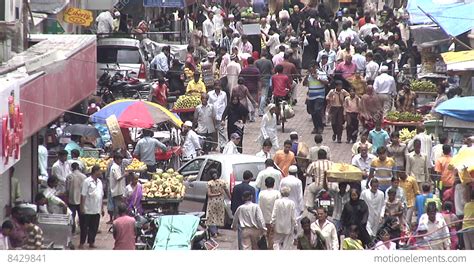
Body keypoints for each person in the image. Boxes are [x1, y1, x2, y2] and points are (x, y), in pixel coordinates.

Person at [79, 165, 104, 249]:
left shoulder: (100, 182)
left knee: (94, 227)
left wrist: (102, 208)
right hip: (87, 208)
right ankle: (82, 242)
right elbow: (83, 195)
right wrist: (82, 207)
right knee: (84, 227)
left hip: (96, 208)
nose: (100, 173)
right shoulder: (87, 181)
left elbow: (101, 195)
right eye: (99, 171)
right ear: (95, 171)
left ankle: (91, 242)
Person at [304, 61, 328, 134]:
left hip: (319, 95)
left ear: (315, 67)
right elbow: (305, 84)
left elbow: (326, 82)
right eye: (310, 69)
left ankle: (320, 127)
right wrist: (306, 77)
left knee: (318, 110)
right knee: (313, 112)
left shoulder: (321, 73)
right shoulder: (309, 75)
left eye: (312, 68)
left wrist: (318, 78)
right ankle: (316, 127)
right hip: (311, 96)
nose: (311, 70)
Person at [206, 169, 231, 237]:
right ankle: (216, 230)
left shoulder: (209, 183)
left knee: (212, 217)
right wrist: (230, 198)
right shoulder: (222, 182)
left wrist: (216, 194)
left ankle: (214, 232)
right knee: (219, 216)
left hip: (212, 202)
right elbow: (227, 191)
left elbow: (209, 194)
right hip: (220, 202)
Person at [258, 177, 281, 249]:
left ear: (265, 184)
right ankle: (270, 248)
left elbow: (259, 205)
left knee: (266, 235)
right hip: (274, 219)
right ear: (274, 184)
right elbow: (279, 206)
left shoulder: (261, 193)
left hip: (264, 218)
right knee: (272, 235)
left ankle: (267, 247)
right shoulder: (277, 193)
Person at [66, 162, 87, 233]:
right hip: (81, 199)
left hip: (72, 199)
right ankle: (83, 228)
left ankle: (73, 228)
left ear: (72, 168)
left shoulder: (69, 176)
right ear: (78, 167)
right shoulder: (84, 177)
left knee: (72, 215)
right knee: (82, 216)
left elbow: (67, 189)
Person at [208, 81, 228, 151]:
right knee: (213, 131)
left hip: (221, 116)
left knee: (221, 132)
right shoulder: (210, 94)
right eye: (216, 85)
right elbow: (208, 105)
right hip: (212, 116)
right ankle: (214, 145)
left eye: (219, 85)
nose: (217, 87)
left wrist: (224, 116)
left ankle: (222, 146)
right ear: (214, 86)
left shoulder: (224, 94)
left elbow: (225, 105)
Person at [255, 49, 274, 116]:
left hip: (258, 80)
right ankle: (261, 110)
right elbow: (272, 72)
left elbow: (255, 71)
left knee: (259, 95)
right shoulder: (268, 62)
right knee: (264, 95)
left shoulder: (256, 62)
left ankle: (258, 109)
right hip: (266, 79)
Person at [109, 153, 128, 219]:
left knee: (117, 207)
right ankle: (117, 221)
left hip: (118, 190)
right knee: (117, 208)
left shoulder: (117, 167)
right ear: (116, 159)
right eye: (120, 159)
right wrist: (124, 175)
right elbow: (118, 178)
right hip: (117, 191)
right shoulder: (115, 167)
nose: (121, 161)